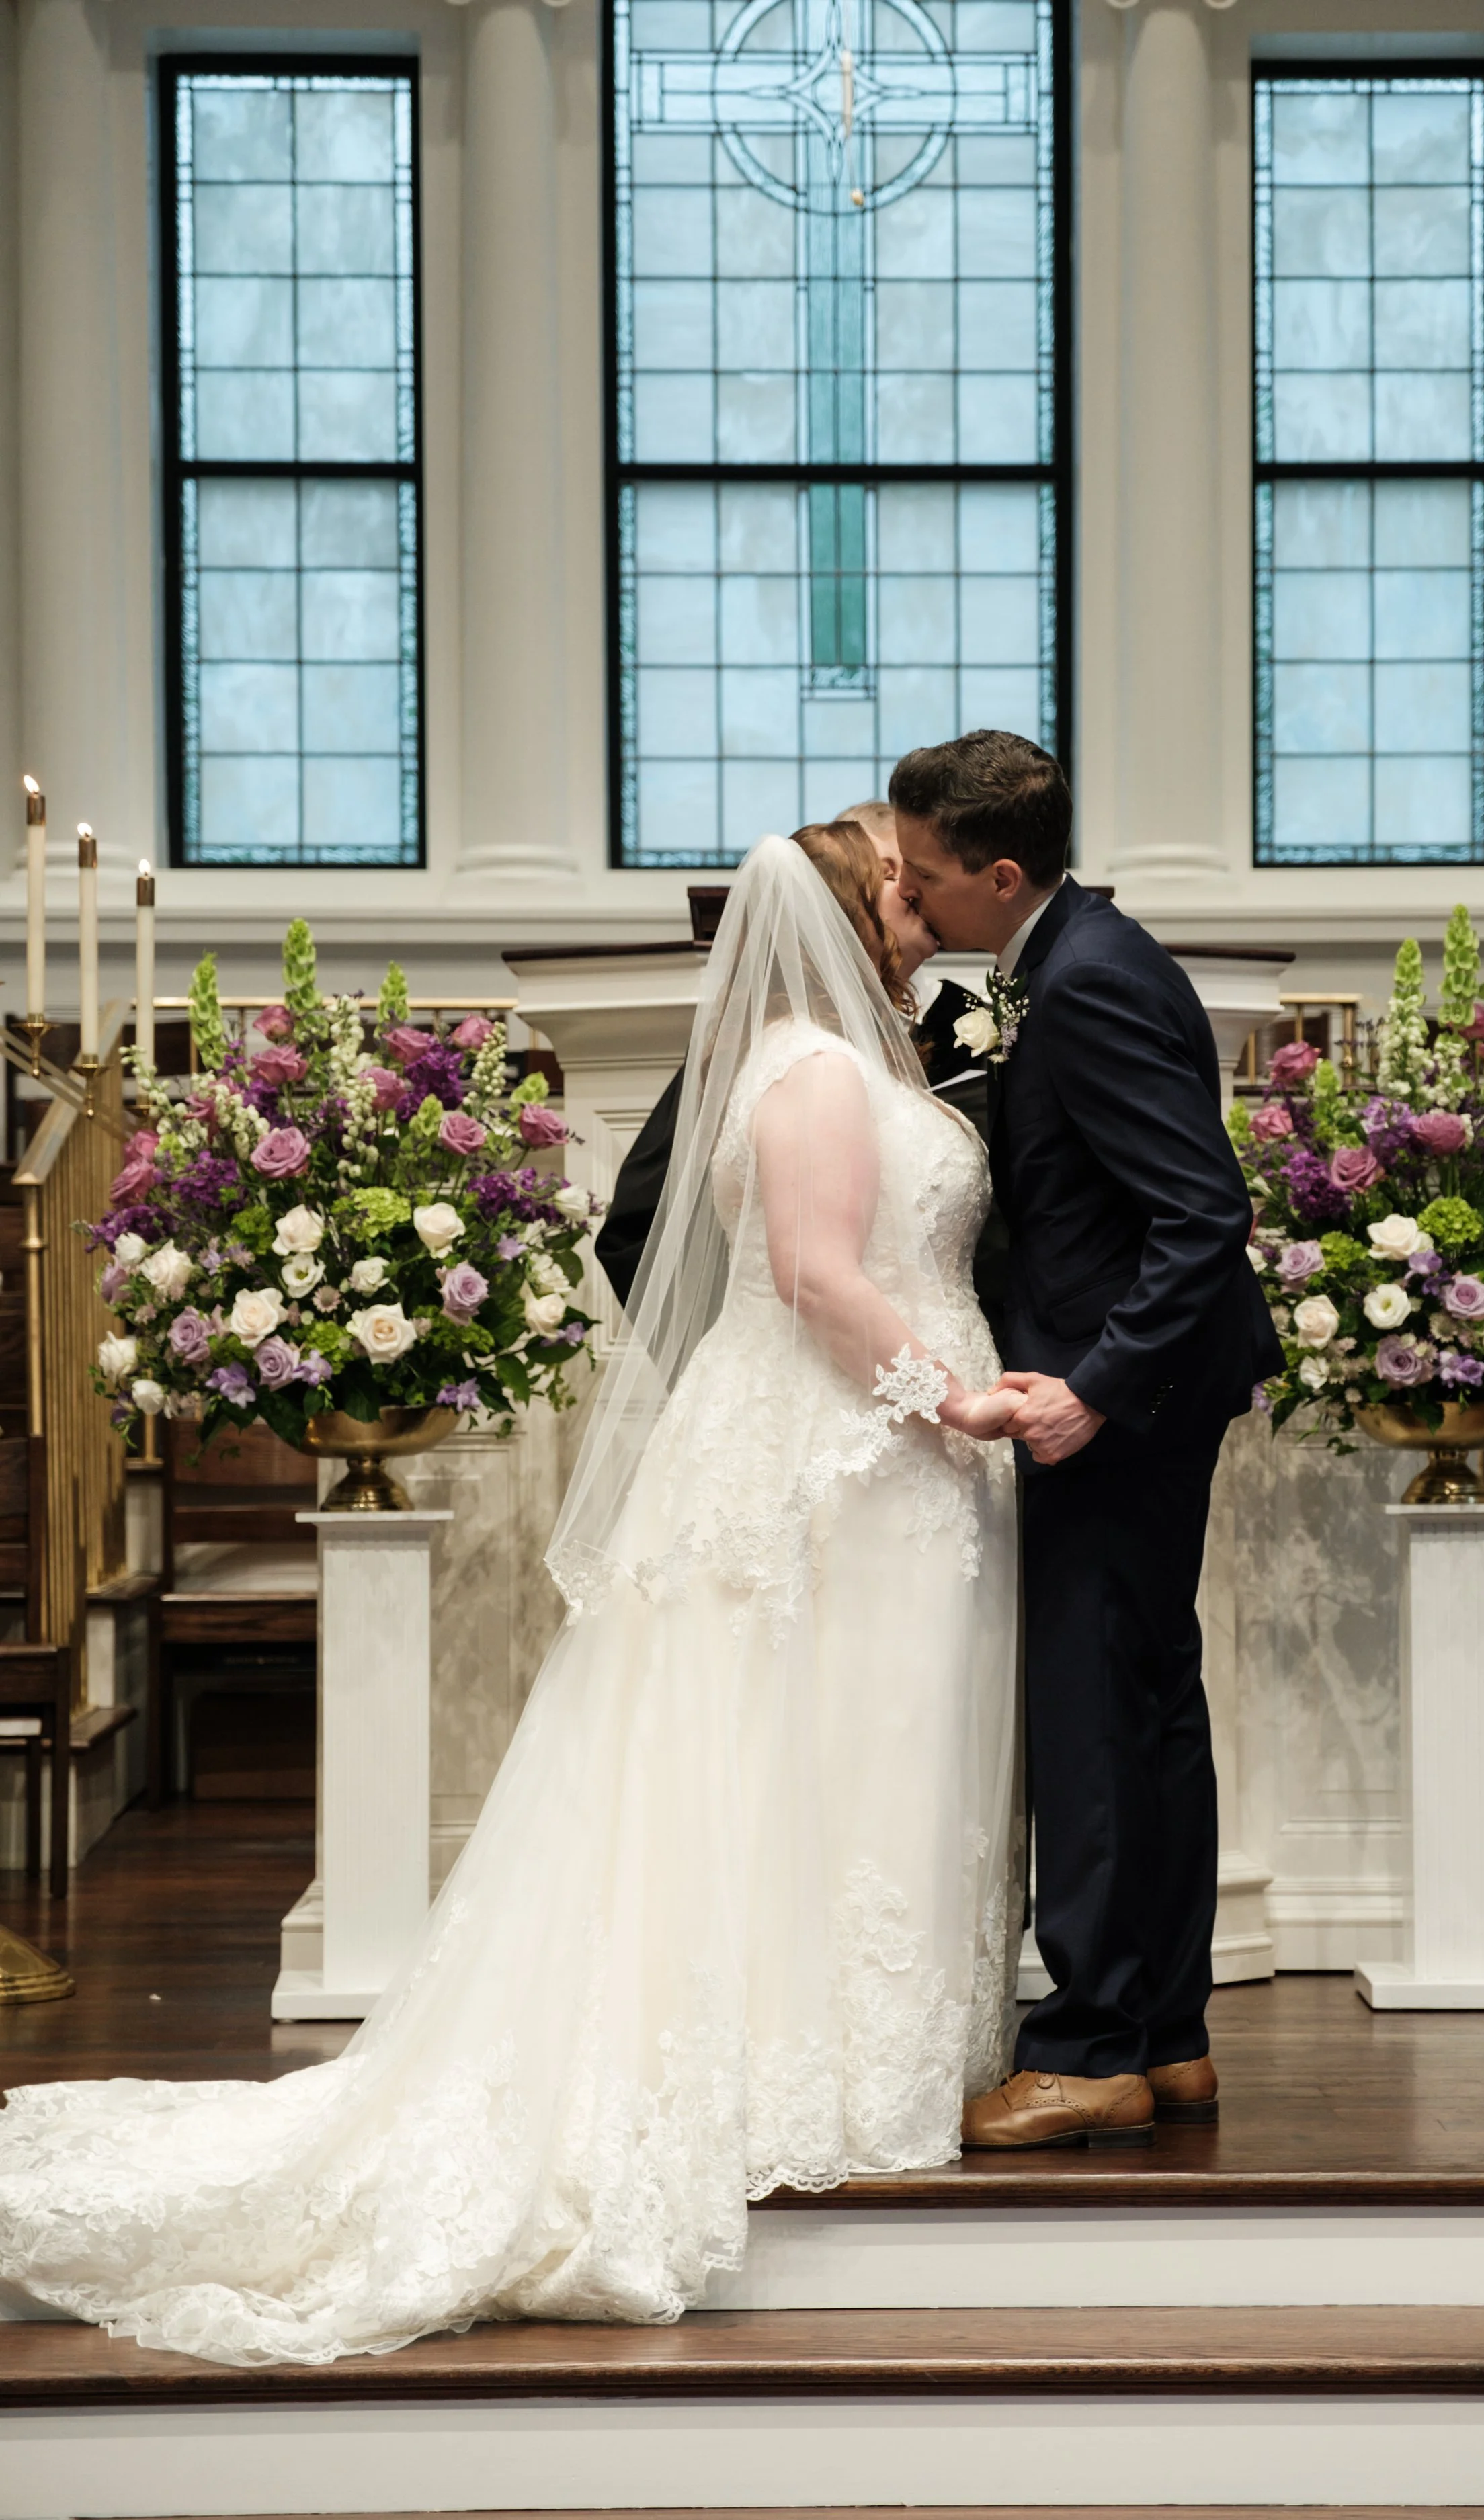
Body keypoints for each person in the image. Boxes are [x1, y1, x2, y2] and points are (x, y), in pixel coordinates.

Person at [0, 825, 1020, 2363]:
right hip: (845, 1452)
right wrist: (959, 1398)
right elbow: (813, 1271)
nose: (909, 900)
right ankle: (805, 2075)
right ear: (830, 908)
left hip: (871, 1454)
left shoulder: (837, 1058)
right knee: (821, 1755)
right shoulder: (812, 1071)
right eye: (887, 882)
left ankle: (857, 2061)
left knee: (849, 1759)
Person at [892, 731, 1284, 2150]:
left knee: (1094, 1723)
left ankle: (1090, 2048)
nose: (914, 900)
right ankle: (1167, 2031)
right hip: (1146, 1393)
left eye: (929, 878)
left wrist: (1093, 1386)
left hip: (1119, 1406)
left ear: (1003, 874)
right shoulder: (1065, 957)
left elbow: (1200, 1212)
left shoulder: (1089, 984)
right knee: (1145, 1705)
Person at [595, 802, 995, 1316]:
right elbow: (641, 1223)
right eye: (891, 871)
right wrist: (750, 1354)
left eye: (921, 875)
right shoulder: (779, 1046)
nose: (915, 890)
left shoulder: (964, 1022)